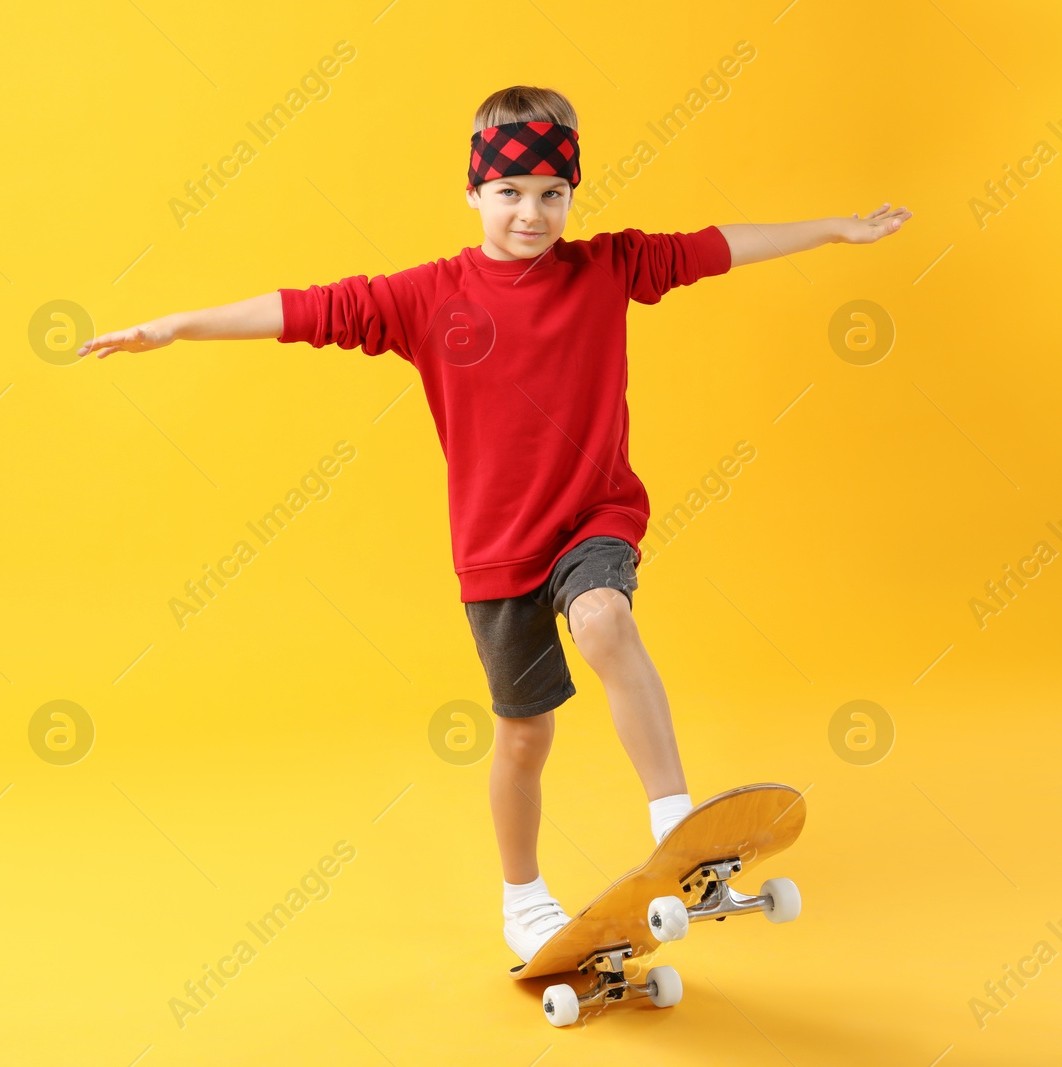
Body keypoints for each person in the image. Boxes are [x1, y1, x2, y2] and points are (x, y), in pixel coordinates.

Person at [77, 84, 911, 964]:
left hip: (596, 515)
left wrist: (832, 228)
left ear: (573, 193)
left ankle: (683, 835)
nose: (533, 212)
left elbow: (719, 246)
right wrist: (176, 326)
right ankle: (523, 897)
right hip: (497, 547)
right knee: (525, 736)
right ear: (473, 192)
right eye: (510, 193)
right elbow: (302, 310)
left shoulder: (610, 268)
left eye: (554, 192)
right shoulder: (427, 298)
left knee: (604, 618)